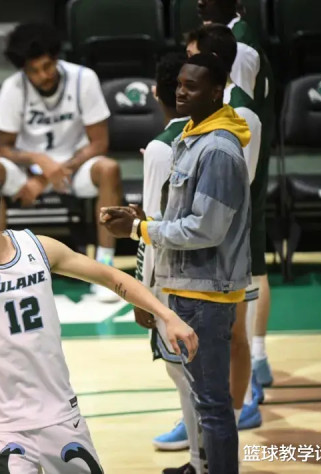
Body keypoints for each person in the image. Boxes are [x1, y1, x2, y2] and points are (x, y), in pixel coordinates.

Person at [0, 125, 198, 474]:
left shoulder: (37, 248)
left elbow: (112, 278)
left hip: (61, 416)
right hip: (5, 426)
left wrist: (166, 316)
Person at [102, 53, 251, 474]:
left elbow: (207, 229)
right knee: (205, 400)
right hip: (189, 285)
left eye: (192, 86)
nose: (181, 92)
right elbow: (184, 216)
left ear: (218, 91)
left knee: (212, 405)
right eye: (180, 84)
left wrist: (139, 230)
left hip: (205, 291)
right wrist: (142, 219)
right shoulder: (193, 137)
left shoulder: (217, 149)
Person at [0, 22, 122, 302]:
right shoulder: (13, 87)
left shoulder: (84, 79)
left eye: (47, 67)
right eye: (33, 71)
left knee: (109, 168)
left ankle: (105, 269)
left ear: (56, 58)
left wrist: (46, 176)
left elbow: (99, 143)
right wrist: (36, 160)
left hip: (74, 168)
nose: (42, 76)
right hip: (26, 171)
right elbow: (2, 147)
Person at [197, 0, 277, 395]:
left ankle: (253, 361)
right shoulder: (237, 37)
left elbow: (241, 112)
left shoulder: (240, 49)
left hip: (245, 165)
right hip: (236, 164)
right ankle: (248, 364)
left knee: (249, 267)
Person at [130, 53, 195, 459]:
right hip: (215, 267)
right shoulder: (218, 131)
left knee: (184, 372)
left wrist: (142, 294)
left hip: (173, 275)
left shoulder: (160, 147)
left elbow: (152, 229)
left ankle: (200, 459)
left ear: (157, 92)